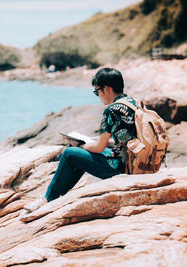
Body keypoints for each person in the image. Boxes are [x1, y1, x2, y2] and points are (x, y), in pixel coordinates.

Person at [23, 67, 137, 213]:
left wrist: (83, 146)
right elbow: (123, 140)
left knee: (70, 153)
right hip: (133, 161)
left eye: (97, 92)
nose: (98, 96)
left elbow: (98, 148)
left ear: (107, 89)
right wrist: (94, 141)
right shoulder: (131, 104)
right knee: (79, 155)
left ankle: (48, 198)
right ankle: (59, 195)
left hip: (120, 168)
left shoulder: (111, 110)